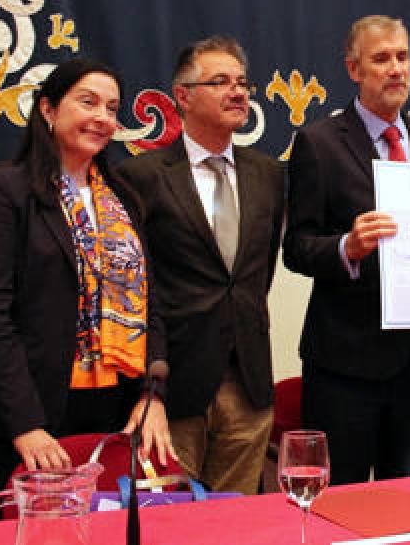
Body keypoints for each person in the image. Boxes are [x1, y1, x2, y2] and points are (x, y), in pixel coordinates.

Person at [0, 58, 172, 504]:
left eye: (112, 108)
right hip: (25, 410)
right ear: (48, 110)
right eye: (87, 102)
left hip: (110, 407)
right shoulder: (6, 192)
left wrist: (153, 396)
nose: (102, 118)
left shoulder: (123, 198)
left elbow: (151, 306)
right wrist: (26, 424)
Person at [283, 15, 410, 484]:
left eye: (403, 57)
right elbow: (296, 247)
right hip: (345, 362)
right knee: (343, 499)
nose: (396, 69)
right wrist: (347, 246)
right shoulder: (319, 143)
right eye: (381, 59)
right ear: (354, 69)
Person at [116, 38, 284, 494]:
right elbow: (135, 286)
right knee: (170, 522)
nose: (238, 92)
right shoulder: (142, 176)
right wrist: (150, 383)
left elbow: (256, 275)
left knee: (238, 522)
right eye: (221, 82)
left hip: (247, 379)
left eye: (243, 83)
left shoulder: (268, 174)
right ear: (183, 96)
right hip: (174, 385)